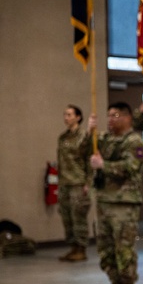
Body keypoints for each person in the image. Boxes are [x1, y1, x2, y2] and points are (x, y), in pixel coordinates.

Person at [86, 102, 143, 284]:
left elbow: (131, 167)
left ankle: (128, 283)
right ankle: (114, 281)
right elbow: (86, 148)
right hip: (104, 199)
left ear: (128, 117)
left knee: (123, 246)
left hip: (124, 201)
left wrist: (104, 165)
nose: (111, 119)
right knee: (105, 246)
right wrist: (89, 131)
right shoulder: (106, 139)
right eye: (109, 115)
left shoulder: (135, 141)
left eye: (116, 115)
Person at [57, 104, 91, 262]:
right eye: (65, 114)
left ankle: (82, 248)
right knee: (67, 216)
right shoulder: (63, 138)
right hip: (64, 182)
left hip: (78, 181)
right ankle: (73, 247)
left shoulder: (84, 136)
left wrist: (88, 182)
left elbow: (89, 161)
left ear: (78, 117)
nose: (66, 117)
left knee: (79, 217)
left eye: (70, 115)